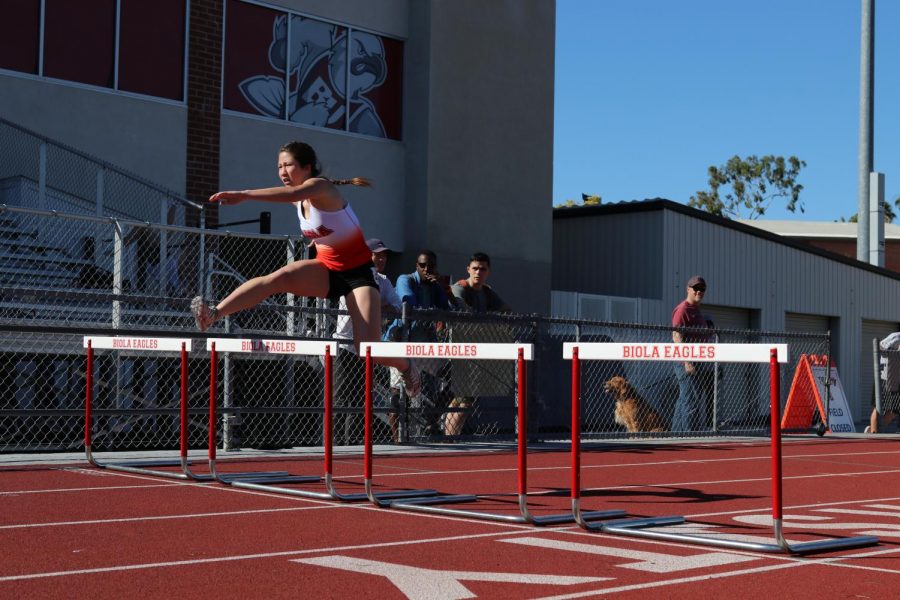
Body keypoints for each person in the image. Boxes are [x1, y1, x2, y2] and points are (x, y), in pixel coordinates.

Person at [191, 140, 420, 398]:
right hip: (327, 269)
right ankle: (214, 313)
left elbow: (290, 195)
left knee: (367, 349)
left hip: (358, 274)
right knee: (277, 278)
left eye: (288, 165)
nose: (282, 172)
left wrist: (244, 195)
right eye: (279, 166)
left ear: (307, 167)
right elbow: (314, 217)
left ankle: (406, 366)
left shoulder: (320, 186)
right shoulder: (300, 201)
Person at [332, 238, 401, 444]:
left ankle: (351, 443)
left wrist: (379, 307)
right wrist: (380, 307)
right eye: (376, 254)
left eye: (384, 255)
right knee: (339, 398)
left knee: (360, 399)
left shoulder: (383, 280)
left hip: (367, 347)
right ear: (366, 255)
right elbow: (360, 304)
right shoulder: (352, 275)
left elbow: (397, 306)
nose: (380, 259)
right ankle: (333, 444)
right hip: (345, 344)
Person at [445, 252, 513, 435]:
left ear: (488, 271)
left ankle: (450, 435)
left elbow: (507, 311)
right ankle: (449, 436)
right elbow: (463, 311)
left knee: (464, 397)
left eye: (482, 269)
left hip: (475, 352)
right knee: (464, 396)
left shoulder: (487, 292)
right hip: (455, 351)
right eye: (475, 268)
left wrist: (491, 323)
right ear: (468, 269)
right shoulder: (460, 288)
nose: (478, 272)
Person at [389, 251, 456, 436]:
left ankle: (431, 418)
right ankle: (397, 438)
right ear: (416, 266)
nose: (427, 269)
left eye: (431, 266)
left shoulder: (435, 286)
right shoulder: (406, 279)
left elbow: (449, 309)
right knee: (398, 391)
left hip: (426, 346)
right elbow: (407, 302)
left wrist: (442, 288)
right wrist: (429, 311)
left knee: (455, 379)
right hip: (403, 343)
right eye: (423, 265)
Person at [671, 275, 714, 432]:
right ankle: (690, 435)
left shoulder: (696, 310)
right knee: (691, 399)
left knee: (685, 398)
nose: (699, 291)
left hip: (698, 361)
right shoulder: (683, 309)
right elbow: (676, 336)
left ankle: (676, 433)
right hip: (687, 362)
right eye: (696, 288)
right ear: (688, 289)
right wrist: (687, 361)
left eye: (702, 289)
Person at [866, 332, 900, 434]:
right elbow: (880, 345)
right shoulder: (896, 336)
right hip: (883, 376)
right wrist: (893, 351)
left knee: (894, 410)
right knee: (877, 407)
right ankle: (874, 433)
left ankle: (876, 429)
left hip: (895, 379)